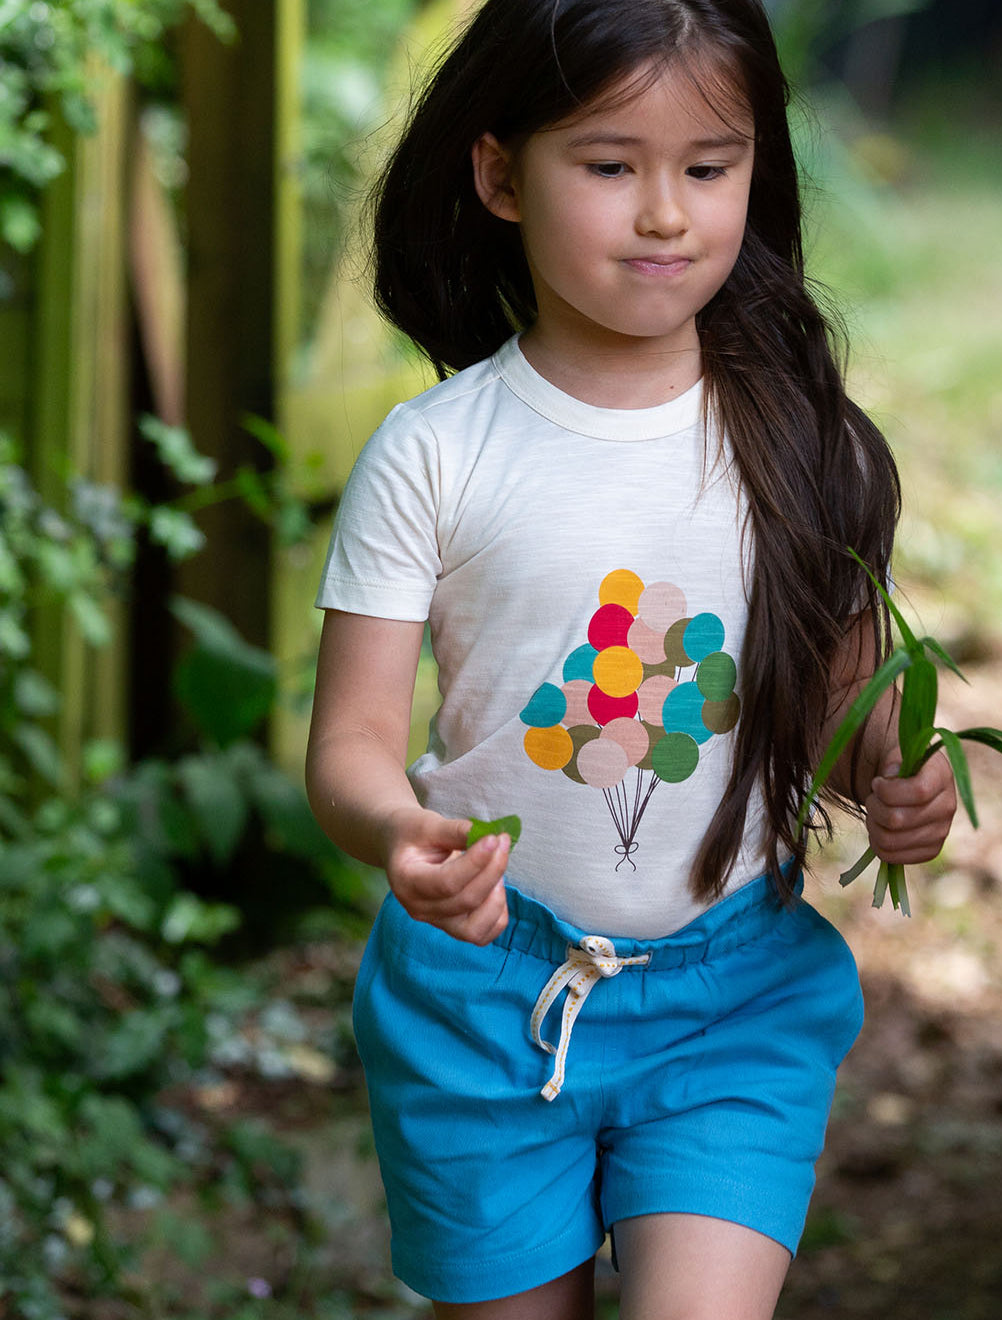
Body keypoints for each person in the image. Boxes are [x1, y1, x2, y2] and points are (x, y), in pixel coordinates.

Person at [305, 1, 956, 1315]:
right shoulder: (434, 453)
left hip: (732, 999)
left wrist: (902, 775)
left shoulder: (799, 436)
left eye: (707, 167)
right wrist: (398, 833)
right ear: (499, 175)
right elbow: (352, 745)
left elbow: (848, 694)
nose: (667, 213)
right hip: (482, 1010)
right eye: (610, 167)